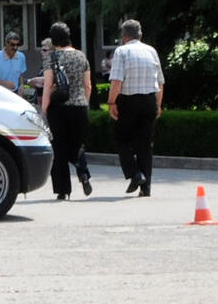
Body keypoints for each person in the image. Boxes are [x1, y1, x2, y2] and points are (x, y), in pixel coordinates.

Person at [107, 19, 165, 197]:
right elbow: (160, 82)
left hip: (129, 101)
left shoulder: (121, 51)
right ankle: (146, 188)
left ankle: (135, 174)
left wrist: (111, 102)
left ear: (124, 36)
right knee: (145, 145)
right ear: (140, 35)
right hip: (149, 100)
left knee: (122, 139)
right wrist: (158, 104)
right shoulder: (151, 51)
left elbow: (117, 81)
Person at [40, 22, 93, 200]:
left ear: (53, 40)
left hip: (59, 108)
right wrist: (84, 103)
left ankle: (63, 190)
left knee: (59, 149)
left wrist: (44, 109)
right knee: (76, 145)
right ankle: (83, 174)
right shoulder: (81, 56)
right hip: (79, 107)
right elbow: (88, 85)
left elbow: (48, 85)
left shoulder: (51, 57)